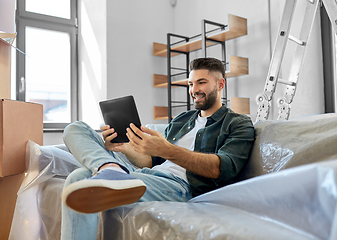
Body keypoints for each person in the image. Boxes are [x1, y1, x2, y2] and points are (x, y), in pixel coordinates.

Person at [60, 57, 255, 240]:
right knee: (75, 129)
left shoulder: (238, 123)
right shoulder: (182, 119)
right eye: (190, 84)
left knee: (79, 178)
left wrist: (166, 149)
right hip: (149, 174)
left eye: (201, 82)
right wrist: (123, 147)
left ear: (220, 84)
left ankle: (112, 171)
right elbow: (152, 162)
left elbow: (221, 169)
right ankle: (110, 167)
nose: (194, 89)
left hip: (180, 186)